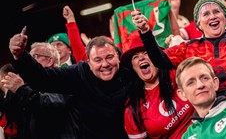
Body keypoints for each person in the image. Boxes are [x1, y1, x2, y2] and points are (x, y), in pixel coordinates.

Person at [132, 0, 226, 138]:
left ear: (225, 17)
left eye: (217, 11)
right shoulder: (190, 48)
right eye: (206, 14)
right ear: (198, 23)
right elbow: (160, 60)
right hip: (217, 127)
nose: (212, 16)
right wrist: (145, 32)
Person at [8, 33, 136, 138]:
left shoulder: (131, 71)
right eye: (98, 60)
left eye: (109, 57)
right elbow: (42, 78)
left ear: (118, 57)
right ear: (89, 63)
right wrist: (20, 56)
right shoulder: (79, 74)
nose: (105, 64)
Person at [2, 42, 79, 138]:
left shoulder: (63, 80)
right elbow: (11, 114)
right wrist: (12, 92)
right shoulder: (27, 84)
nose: (28, 61)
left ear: (50, 60)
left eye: (35, 56)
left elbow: (51, 106)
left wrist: (21, 90)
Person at [121, 39, 194, 138]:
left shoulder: (179, 73)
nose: (141, 58)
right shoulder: (133, 106)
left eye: (146, 53)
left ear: (157, 57)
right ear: (133, 67)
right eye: (135, 57)